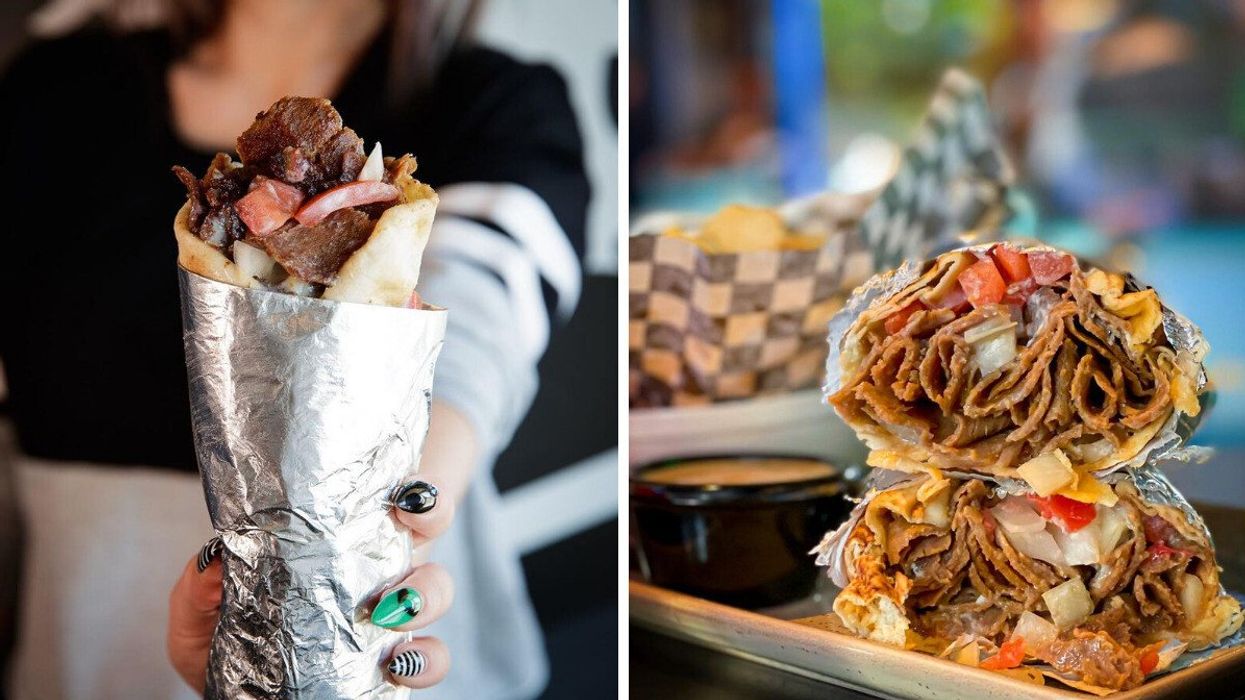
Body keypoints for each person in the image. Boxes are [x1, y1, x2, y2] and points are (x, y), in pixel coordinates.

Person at [0, 0, 588, 697]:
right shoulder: (55, 88)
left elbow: (481, 320)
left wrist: (401, 512)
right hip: (87, 639)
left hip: (371, 635)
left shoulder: (493, 101)